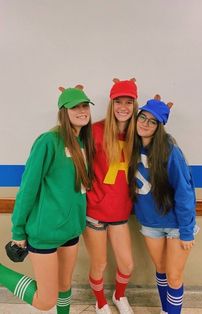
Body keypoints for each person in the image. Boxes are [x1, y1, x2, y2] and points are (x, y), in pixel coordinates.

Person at [0, 85, 94, 313]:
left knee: (64, 285)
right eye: (75, 107)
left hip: (71, 231)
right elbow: (27, 189)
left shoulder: (83, 143)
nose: (81, 111)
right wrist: (18, 232)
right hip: (45, 232)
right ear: (63, 111)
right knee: (45, 300)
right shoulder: (48, 141)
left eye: (84, 106)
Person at [128, 95, 199, 314]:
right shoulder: (130, 146)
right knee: (160, 270)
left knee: (174, 276)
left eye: (152, 121)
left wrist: (187, 231)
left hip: (176, 224)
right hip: (151, 222)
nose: (145, 123)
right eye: (143, 117)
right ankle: (165, 310)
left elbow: (184, 193)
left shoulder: (170, 151)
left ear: (160, 126)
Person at [83, 78, 138, 314]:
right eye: (118, 101)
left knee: (127, 263)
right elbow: (75, 163)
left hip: (119, 212)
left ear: (134, 105)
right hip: (94, 212)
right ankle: (100, 301)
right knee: (100, 263)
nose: (123, 107)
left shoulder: (139, 134)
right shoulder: (95, 130)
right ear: (111, 104)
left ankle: (119, 295)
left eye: (128, 102)